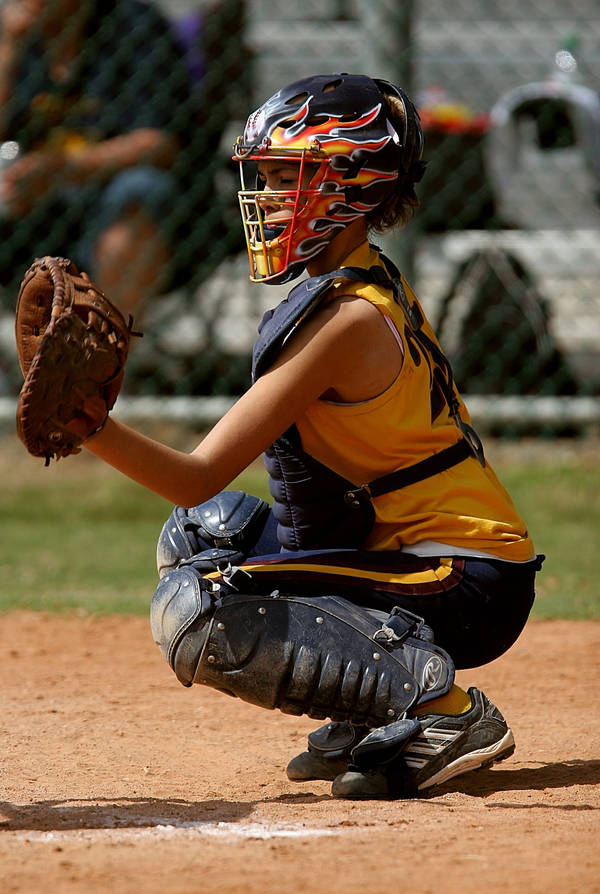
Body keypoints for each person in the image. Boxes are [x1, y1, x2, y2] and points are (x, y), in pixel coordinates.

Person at [78, 73, 542, 800]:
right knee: (204, 535)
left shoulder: (348, 319)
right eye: (262, 178)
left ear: (352, 183)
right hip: (406, 551)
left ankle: (444, 712)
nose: (263, 198)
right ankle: (374, 704)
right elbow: (206, 499)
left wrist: (89, 427)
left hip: (463, 578)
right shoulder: (353, 281)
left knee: (197, 609)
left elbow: (196, 471)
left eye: (285, 177)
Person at [0, 0, 194, 316]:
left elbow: (158, 143)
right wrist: (8, 49)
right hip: (30, 207)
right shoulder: (16, 36)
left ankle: (106, 355)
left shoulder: (134, 27)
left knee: (141, 188)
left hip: (109, 198)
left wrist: (64, 169)